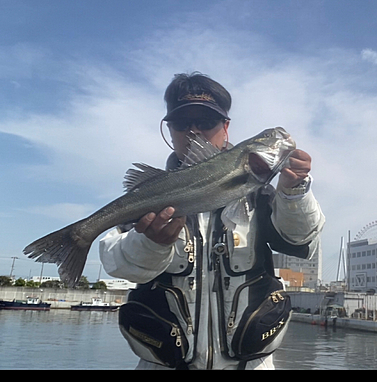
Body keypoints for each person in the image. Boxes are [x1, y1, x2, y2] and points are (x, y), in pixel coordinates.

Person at [99, 72, 325, 370]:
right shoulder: (149, 197)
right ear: (168, 129)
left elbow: (301, 239)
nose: (194, 131)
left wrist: (295, 191)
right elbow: (119, 264)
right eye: (182, 123)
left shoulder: (264, 195)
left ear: (226, 127)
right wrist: (150, 243)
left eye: (206, 122)